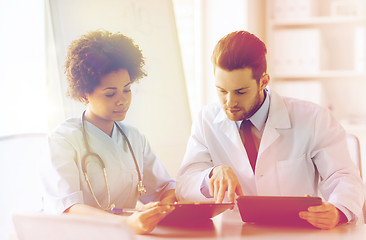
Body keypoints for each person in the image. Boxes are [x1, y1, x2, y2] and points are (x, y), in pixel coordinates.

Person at [176, 30, 364, 230]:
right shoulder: (206, 120)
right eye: (222, 91)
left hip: (297, 233)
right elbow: (184, 184)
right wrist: (211, 175)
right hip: (236, 233)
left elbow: (343, 177)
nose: (230, 102)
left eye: (240, 91)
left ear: (263, 82)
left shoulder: (313, 118)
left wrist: (337, 211)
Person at [41, 30, 176, 234]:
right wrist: (125, 224)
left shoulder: (134, 138)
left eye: (127, 89)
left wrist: (162, 208)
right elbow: (66, 208)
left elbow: (166, 188)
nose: (122, 100)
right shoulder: (63, 140)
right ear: (84, 95)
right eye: (110, 93)